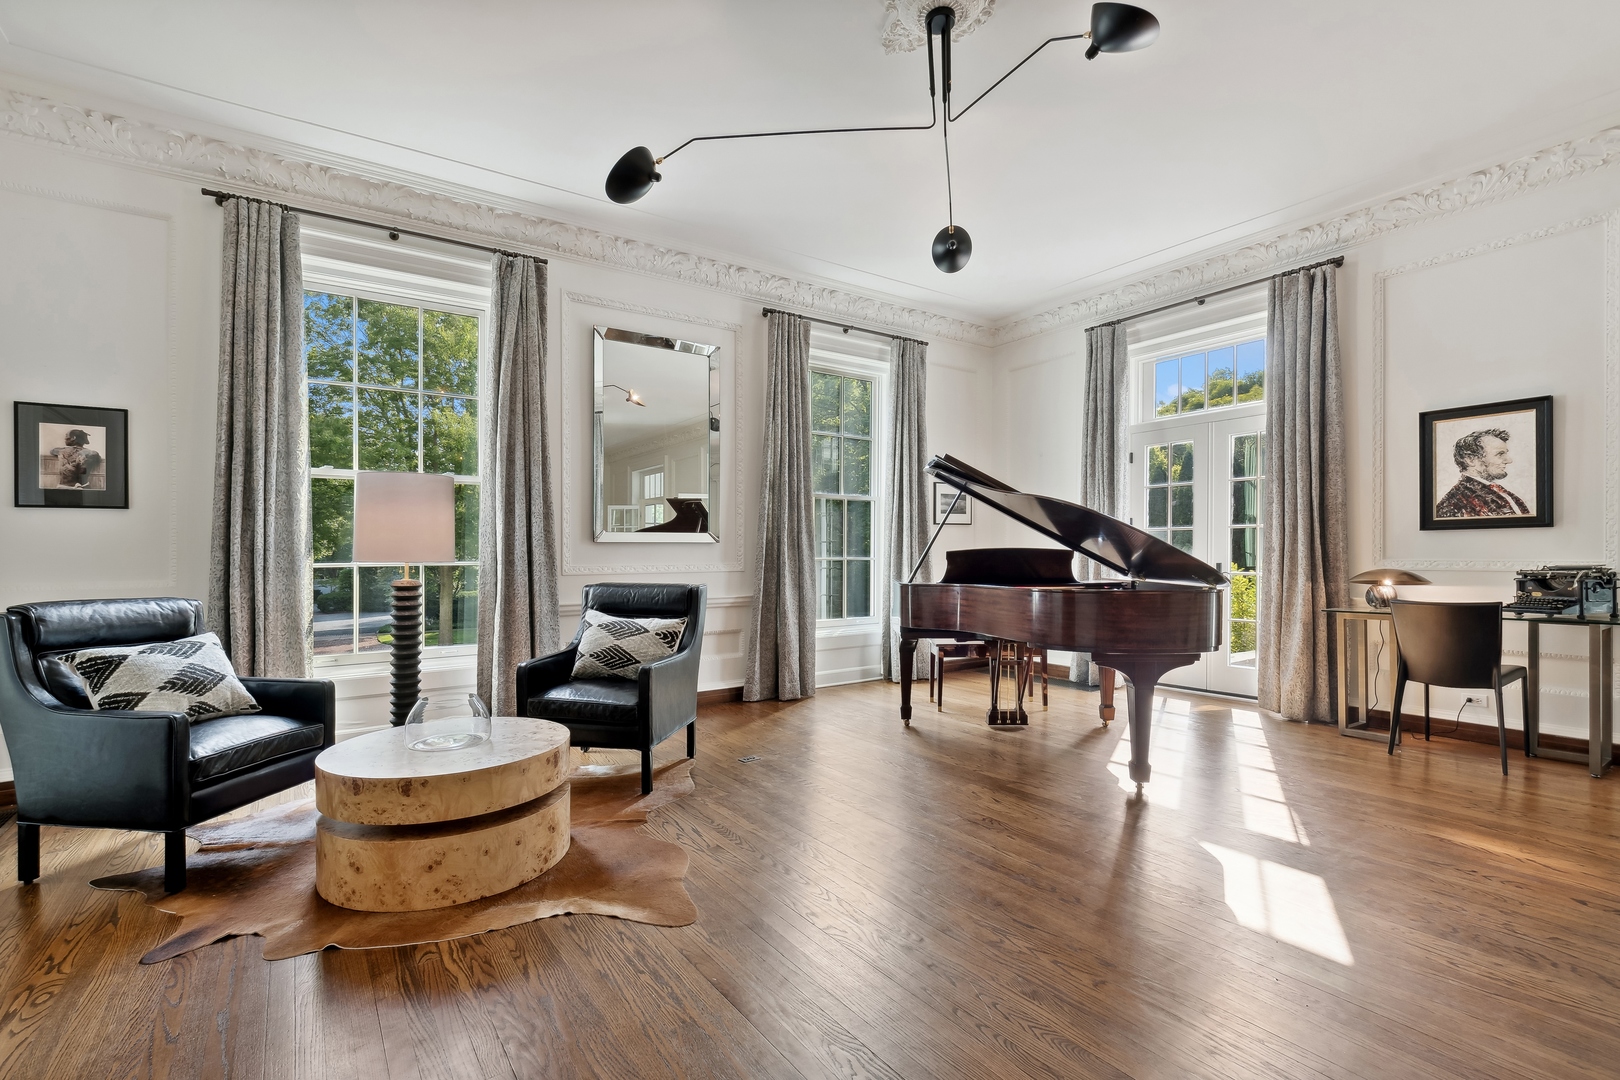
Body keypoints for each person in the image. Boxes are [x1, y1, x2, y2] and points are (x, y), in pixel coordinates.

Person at [1435, 427, 1529, 518]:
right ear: (1471, 460)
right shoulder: (1454, 503)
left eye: (1506, 453)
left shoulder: (1500, 491)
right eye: (1500, 454)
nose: (1509, 460)